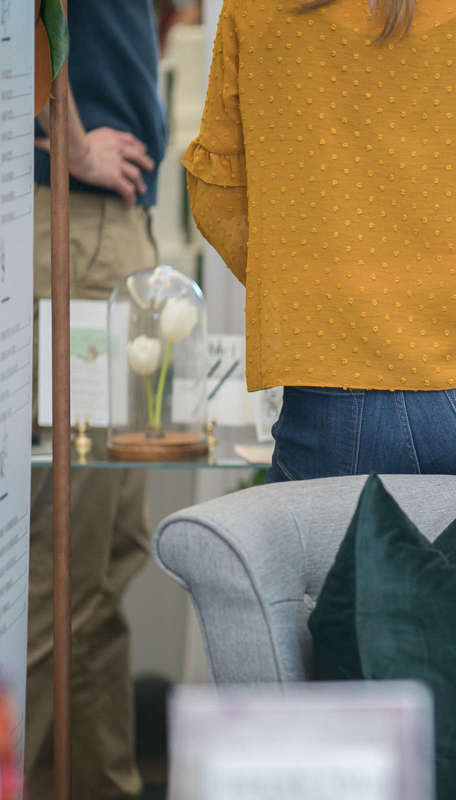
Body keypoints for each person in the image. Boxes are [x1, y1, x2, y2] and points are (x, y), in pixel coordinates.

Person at [185, 0, 456, 531]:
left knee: (349, 611)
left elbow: (220, 194)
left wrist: (324, 279)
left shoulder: (254, 9)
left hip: (329, 388)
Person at [27, 1, 166, 798]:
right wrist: (71, 136)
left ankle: (99, 782)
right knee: (66, 564)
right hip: (74, 222)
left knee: (108, 552)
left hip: (109, 230)